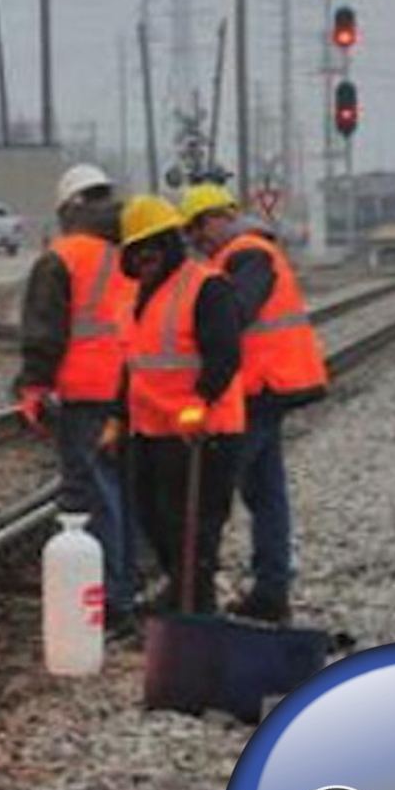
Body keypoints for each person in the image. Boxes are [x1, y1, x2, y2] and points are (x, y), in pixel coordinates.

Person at [181, 185, 330, 624]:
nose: (195, 241)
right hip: (268, 386)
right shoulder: (245, 253)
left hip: (261, 387)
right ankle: (271, 591)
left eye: (196, 230)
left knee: (215, 490)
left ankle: (194, 593)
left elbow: (233, 315)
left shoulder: (247, 253)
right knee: (265, 494)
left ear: (216, 217)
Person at [13, 164, 141, 638]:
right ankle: (124, 591)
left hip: (85, 394)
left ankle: (108, 602)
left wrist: (33, 387)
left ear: (69, 208)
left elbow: (45, 332)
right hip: (131, 393)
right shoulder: (128, 250)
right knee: (124, 497)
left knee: (94, 499)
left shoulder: (62, 258)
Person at [118, 194, 247, 615]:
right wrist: (119, 418)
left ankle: (197, 610)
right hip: (152, 431)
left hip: (202, 433)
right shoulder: (143, 297)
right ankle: (182, 593)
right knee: (155, 520)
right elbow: (137, 366)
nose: (145, 258)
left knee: (195, 527)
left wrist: (200, 403)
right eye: (137, 251)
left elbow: (224, 355)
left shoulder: (207, 286)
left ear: (170, 245)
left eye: (153, 247)